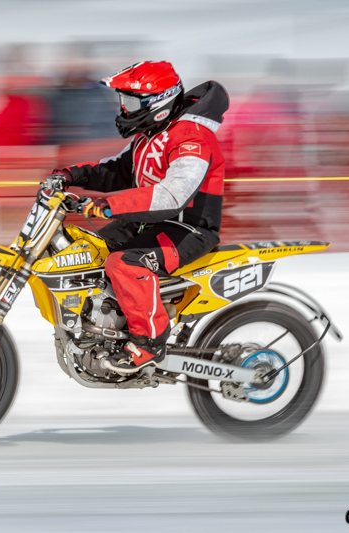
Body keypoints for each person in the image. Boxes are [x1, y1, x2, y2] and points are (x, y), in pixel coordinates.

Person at [53, 61, 229, 374]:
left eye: (131, 103)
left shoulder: (193, 138)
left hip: (188, 228)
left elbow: (173, 195)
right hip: (147, 222)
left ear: (159, 103)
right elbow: (118, 171)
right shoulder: (150, 135)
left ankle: (149, 341)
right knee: (88, 251)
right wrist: (72, 175)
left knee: (125, 263)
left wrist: (111, 205)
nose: (124, 110)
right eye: (123, 102)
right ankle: (107, 328)